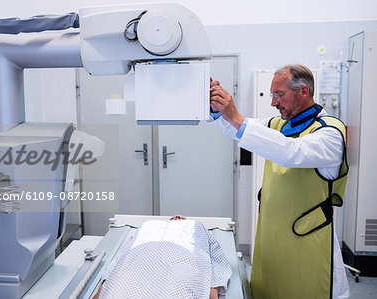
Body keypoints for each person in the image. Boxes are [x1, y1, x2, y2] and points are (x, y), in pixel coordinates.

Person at [209, 64, 349, 299]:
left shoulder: (330, 133)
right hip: (273, 237)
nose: (273, 102)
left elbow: (292, 152)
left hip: (308, 242)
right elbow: (240, 131)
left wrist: (236, 116)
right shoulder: (279, 125)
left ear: (303, 91)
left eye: (278, 94)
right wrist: (216, 111)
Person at [92, 216, 232, 299]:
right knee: (121, 283)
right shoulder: (148, 225)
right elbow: (123, 257)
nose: (177, 217)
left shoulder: (195, 226)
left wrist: (212, 292)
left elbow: (214, 256)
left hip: (181, 256)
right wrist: (103, 288)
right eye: (174, 217)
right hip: (141, 254)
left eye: (181, 217)